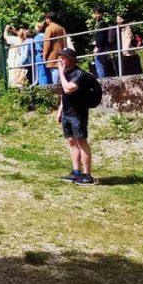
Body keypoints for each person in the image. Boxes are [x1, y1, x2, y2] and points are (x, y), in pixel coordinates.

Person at [55, 48, 95, 186]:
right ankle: (76, 172)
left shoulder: (80, 74)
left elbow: (68, 88)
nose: (61, 60)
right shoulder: (67, 73)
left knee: (81, 141)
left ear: (72, 59)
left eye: (63, 58)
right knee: (72, 141)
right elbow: (64, 94)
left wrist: (60, 71)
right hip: (67, 112)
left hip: (78, 113)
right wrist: (60, 110)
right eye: (60, 57)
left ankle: (87, 175)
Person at [90, 8, 117, 78]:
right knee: (103, 65)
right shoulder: (99, 23)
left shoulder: (102, 23)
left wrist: (97, 46)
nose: (97, 15)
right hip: (102, 47)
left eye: (99, 13)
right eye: (95, 13)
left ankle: (102, 82)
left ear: (102, 14)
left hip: (101, 47)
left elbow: (101, 36)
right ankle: (106, 82)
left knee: (100, 66)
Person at [42, 12, 67, 84]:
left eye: (46, 18)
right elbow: (65, 42)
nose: (45, 20)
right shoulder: (62, 28)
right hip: (62, 54)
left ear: (48, 19)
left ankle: (55, 91)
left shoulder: (49, 29)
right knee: (61, 74)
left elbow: (47, 44)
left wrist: (44, 56)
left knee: (55, 74)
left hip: (53, 56)